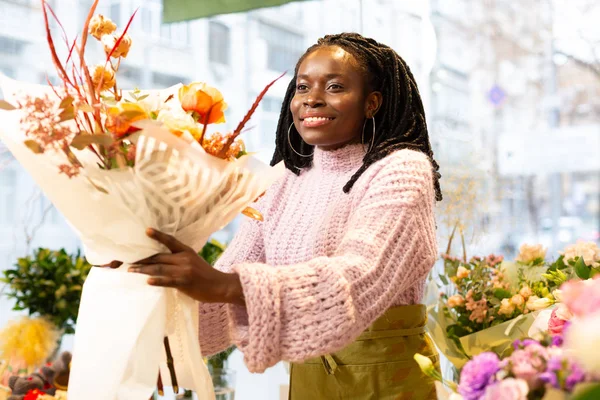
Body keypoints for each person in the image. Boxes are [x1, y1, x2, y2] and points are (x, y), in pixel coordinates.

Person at [131, 32, 443, 399]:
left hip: (387, 380)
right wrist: (161, 351)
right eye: (302, 87)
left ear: (371, 102)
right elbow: (227, 282)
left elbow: (358, 277)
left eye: (335, 86)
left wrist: (228, 286)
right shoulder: (283, 180)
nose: (312, 98)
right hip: (307, 380)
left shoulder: (402, 169)